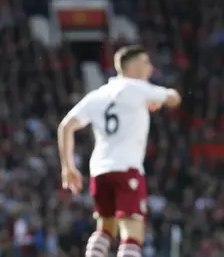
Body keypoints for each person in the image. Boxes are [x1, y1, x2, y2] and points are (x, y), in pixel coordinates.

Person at [57, 45, 181, 257]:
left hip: (100, 171)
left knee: (105, 228)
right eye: (145, 62)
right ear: (131, 66)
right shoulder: (137, 88)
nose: (150, 68)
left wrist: (68, 167)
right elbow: (174, 98)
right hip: (126, 169)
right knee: (132, 233)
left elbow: (66, 126)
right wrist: (160, 98)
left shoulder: (98, 95)